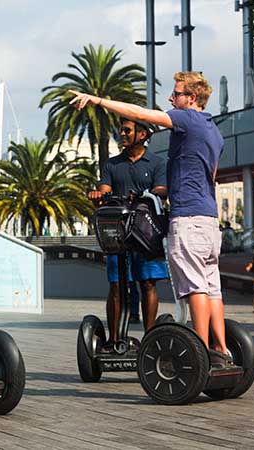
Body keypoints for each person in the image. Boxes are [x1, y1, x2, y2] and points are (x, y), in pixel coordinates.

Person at [71, 71, 233, 366]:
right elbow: (212, 175)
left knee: (194, 287)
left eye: (176, 94)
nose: (171, 100)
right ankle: (221, 349)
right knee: (212, 288)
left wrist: (97, 100)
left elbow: (141, 113)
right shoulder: (214, 130)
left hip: (189, 218)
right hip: (209, 218)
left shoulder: (188, 119)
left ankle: (202, 352)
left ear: (192, 98)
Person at [88, 119, 169, 348]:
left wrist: (148, 194)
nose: (121, 133)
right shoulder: (112, 165)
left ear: (142, 134)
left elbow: (162, 191)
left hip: (146, 233)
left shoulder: (156, 163)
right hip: (118, 234)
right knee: (116, 285)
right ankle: (114, 341)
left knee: (148, 284)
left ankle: (150, 340)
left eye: (127, 130)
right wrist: (97, 196)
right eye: (121, 130)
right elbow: (104, 191)